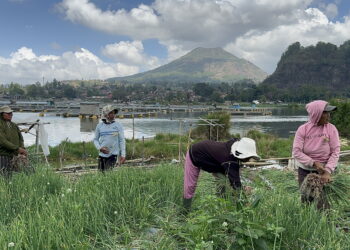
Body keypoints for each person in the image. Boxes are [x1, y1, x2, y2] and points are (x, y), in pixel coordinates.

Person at [183, 137, 260, 211]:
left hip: (215, 160)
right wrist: (245, 202)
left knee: (223, 183)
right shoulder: (229, 160)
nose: (248, 160)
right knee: (190, 187)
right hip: (194, 154)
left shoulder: (233, 148)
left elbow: (234, 178)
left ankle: (221, 206)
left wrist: (241, 189)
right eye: (247, 157)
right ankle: (185, 211)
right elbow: (236, 183)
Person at [292, 100, 340, 209]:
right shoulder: (303, 129)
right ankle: (307, 225)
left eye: (329, 113)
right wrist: (313, 163)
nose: (329, 115)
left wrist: (327, 171)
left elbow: (335, 151)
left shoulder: (331, 129)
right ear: (316, 114)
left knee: (323, 205)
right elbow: (296, 151)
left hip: (325, 171)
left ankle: (325, 224)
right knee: (306, 203)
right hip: (305, 171)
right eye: (325, 113)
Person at [94, 105, 126, 171]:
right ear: (105, 114)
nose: (113, 115)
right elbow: (95, 140)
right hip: (102, 155)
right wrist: (100, 148)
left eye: (114, 113)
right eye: (111, 113)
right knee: (100, 174)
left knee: (108, 172)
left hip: (113, 155)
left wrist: (123, 154)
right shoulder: (99, 126)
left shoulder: (118, 125)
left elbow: (121, 140)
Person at [0, 105, 28, 176]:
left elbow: (21, 139)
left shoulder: (14, 125)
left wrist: (22, 148)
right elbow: (2, 141)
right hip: (3, 155)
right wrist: (17, 148)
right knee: (4, 176)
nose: (11, 115)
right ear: (2, 114)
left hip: (15, 155)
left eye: (11, 113)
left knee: (16, 176)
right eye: (8, 113)